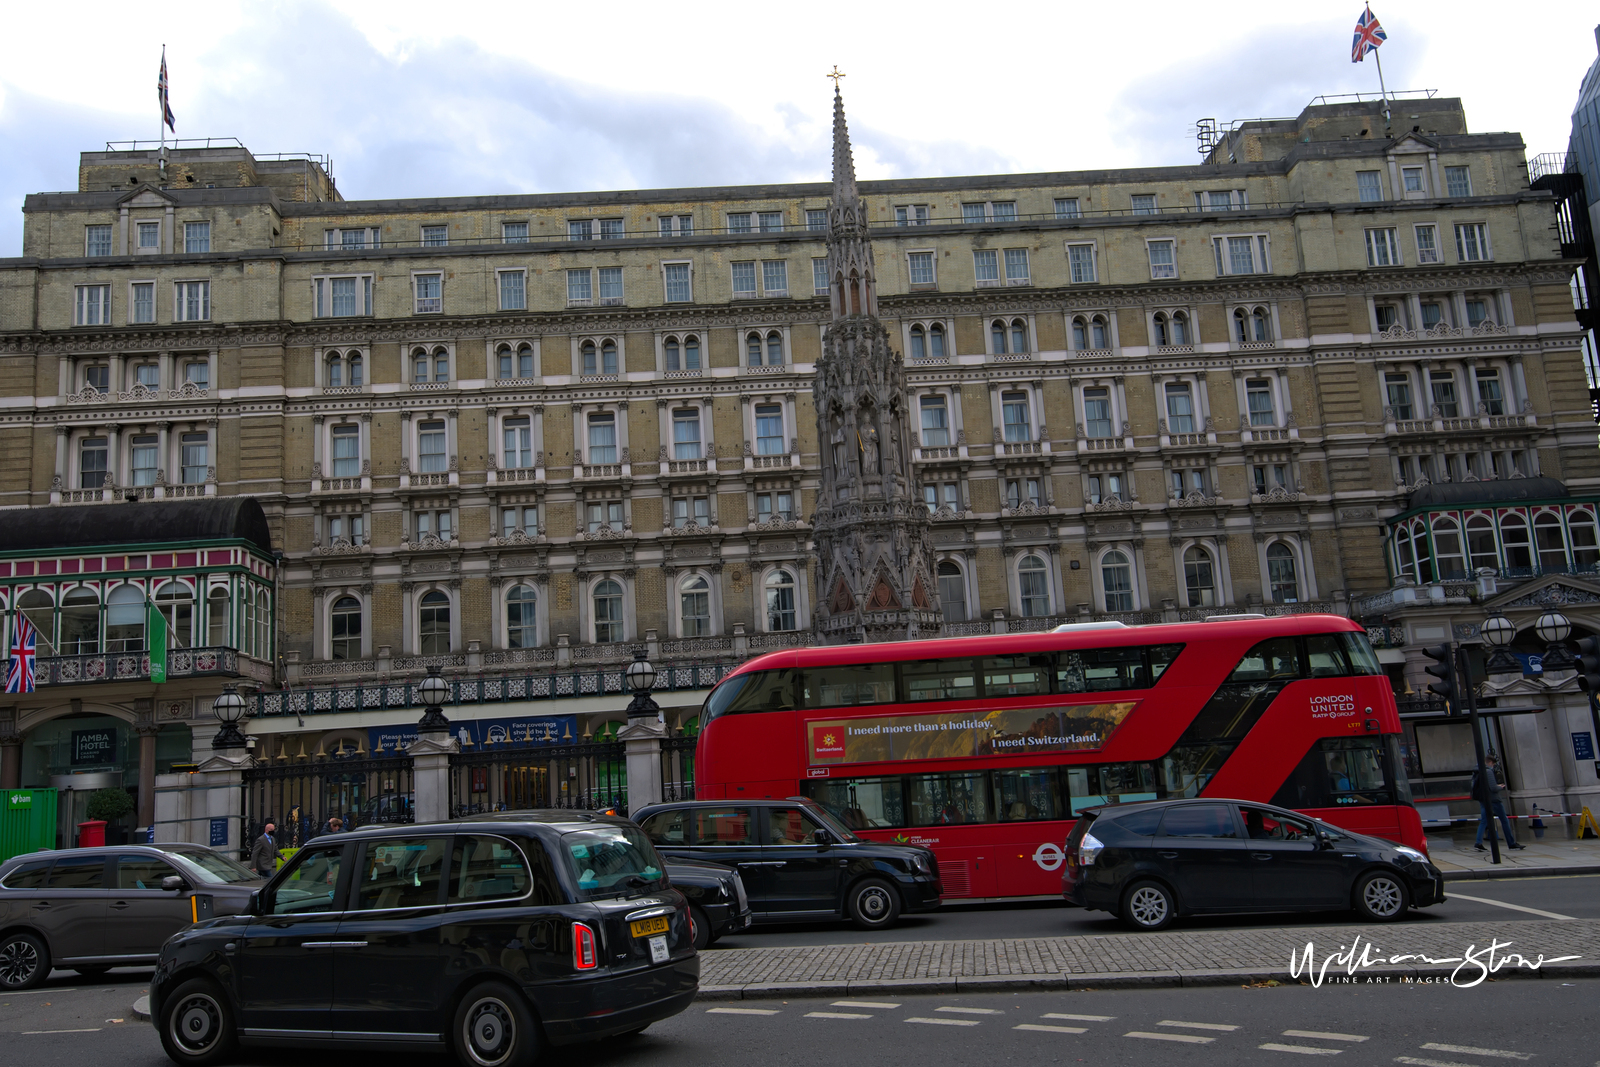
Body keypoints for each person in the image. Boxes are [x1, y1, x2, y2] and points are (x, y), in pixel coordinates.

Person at [1473, 755, 1525, 851]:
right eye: (1493, 764)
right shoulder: (1488, 771)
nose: (1493, 766)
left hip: (1483, 799)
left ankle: (1478, 842)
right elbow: (1493, 788)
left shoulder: (1476, 771)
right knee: (1504, 820)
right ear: (1490, 763)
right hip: (1493, 799)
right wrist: (1500, 787)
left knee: (1484, 821)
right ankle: (1511, 843)